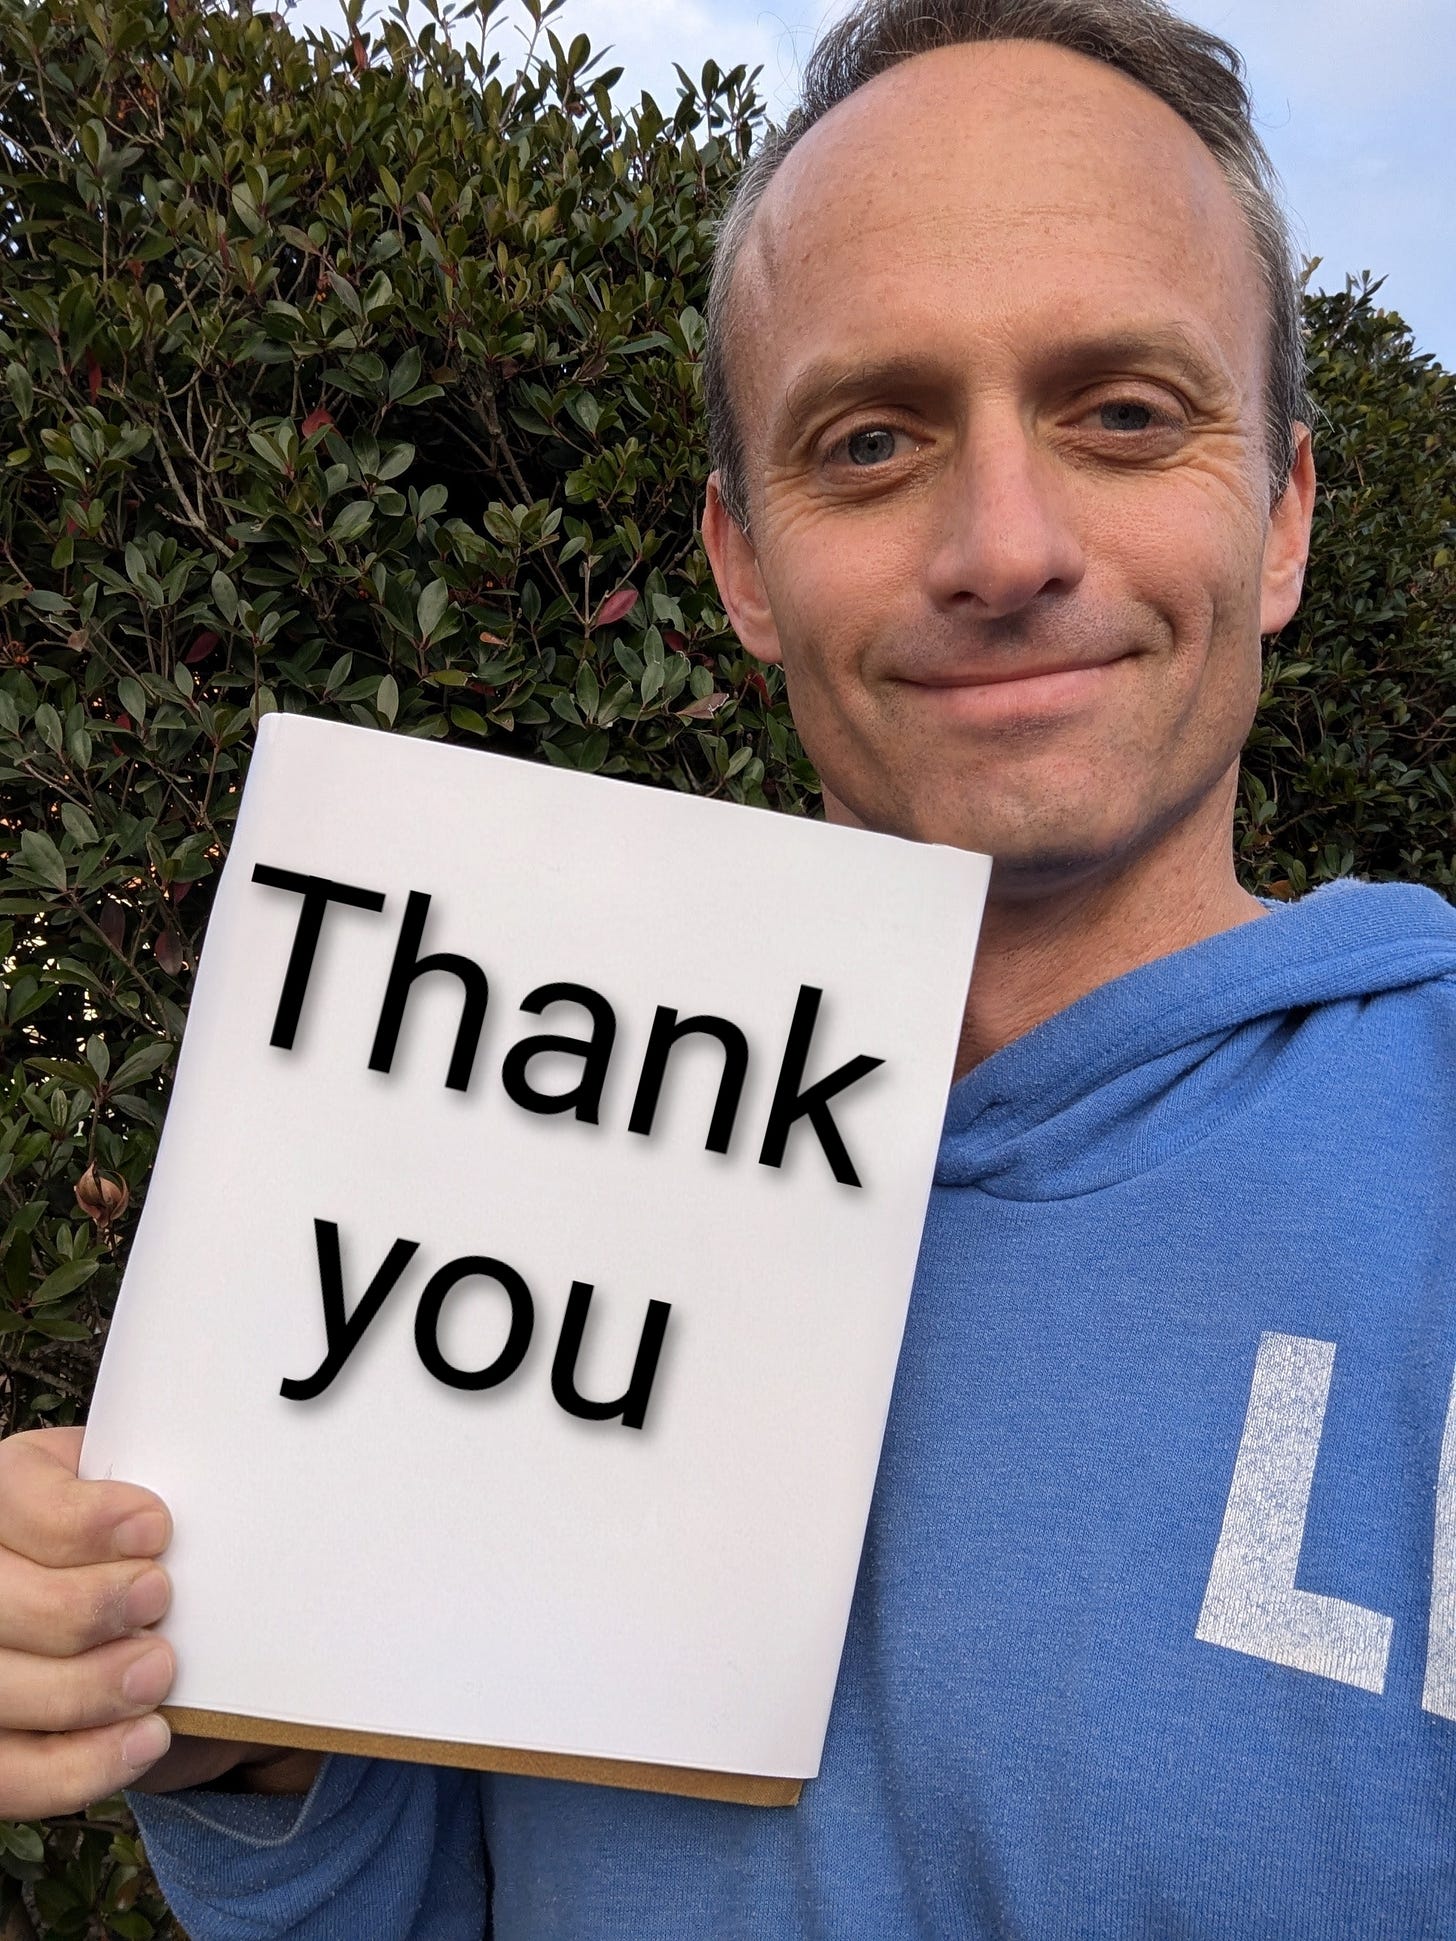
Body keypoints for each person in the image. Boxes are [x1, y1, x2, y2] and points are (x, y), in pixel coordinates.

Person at [3, 0, 1455, 1931]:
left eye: (1122, 411)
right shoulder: (489, 1132)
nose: (1005, 544)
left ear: (1279, 512)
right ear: (744, 562)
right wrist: (216, 1704)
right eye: (871, 439)